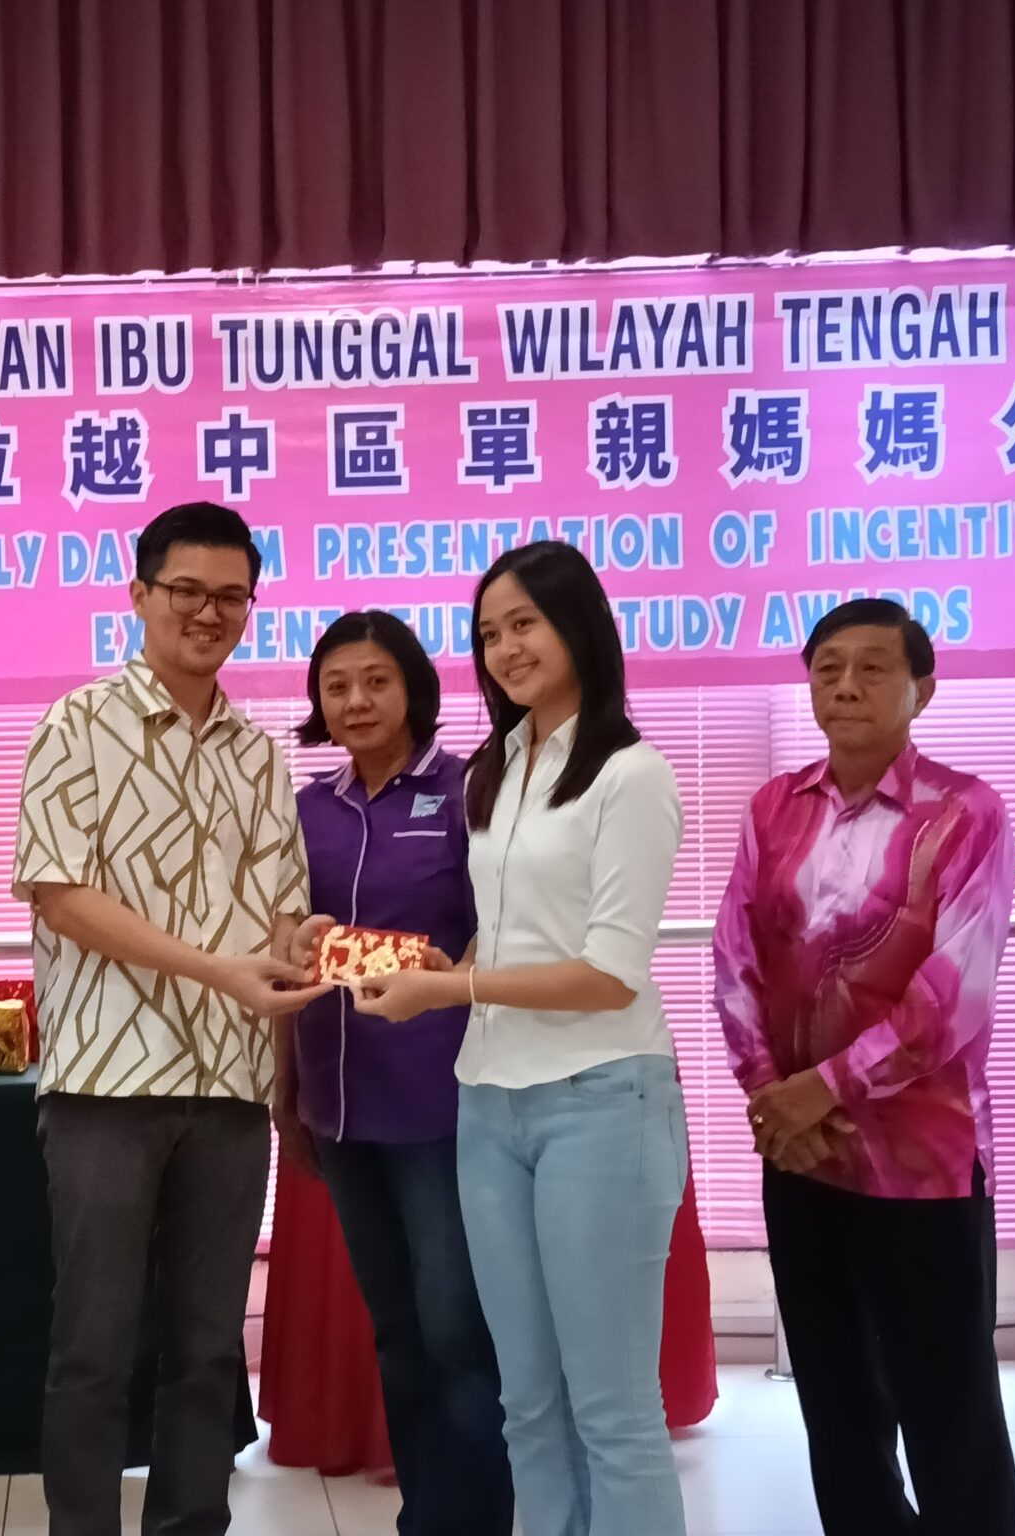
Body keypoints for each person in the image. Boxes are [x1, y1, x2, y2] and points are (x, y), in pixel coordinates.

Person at [344, 541, 688, 1536]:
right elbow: (497, 936)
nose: (504, 649)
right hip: (490, 1101)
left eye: (524, 624)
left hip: (601, 1099)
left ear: (579, 626)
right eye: (489, 633)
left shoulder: (630, 774)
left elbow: (607, 973)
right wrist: (393, 957)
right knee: (526, 1403)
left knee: (611, 1410)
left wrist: (448, 987)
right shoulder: (495, 769)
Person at [13, 501, 327, 1536]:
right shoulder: (77, 725)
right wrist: (215, 970)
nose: (207, 612)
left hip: (230, 1089)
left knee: (205, 1351)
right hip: (106, 1086)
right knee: (93, 1351)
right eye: (185, 590)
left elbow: (278, 917)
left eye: (230, 596)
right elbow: (60, 895)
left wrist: (306, 955)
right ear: (139, 595)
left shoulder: (258, 754)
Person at [713, 598, 1015, 1536]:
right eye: (828, 668)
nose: (845, 685)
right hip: (801, 1157)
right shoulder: (774, 807)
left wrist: (821, 1089)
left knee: (947, 1403)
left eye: (873, 667)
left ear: (922, 688)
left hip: (922, 1163)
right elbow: (734, 958)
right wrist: (771, 1098)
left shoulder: (966, 812)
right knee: (836, 1403)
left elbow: (953, 994)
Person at [275, 611, 512, 1536]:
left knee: (457, 1332)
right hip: (340, 1107)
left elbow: (498, 936)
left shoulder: (469, 792)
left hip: (443, 1104)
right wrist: (288, 1094)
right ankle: (428, 1515)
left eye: (376, 680)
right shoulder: (306, 810)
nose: (356, 701)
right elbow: (287, 952)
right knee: (399, 1333)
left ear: (414, 687)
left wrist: (430, 966)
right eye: (336, 686)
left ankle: (476, 1518)